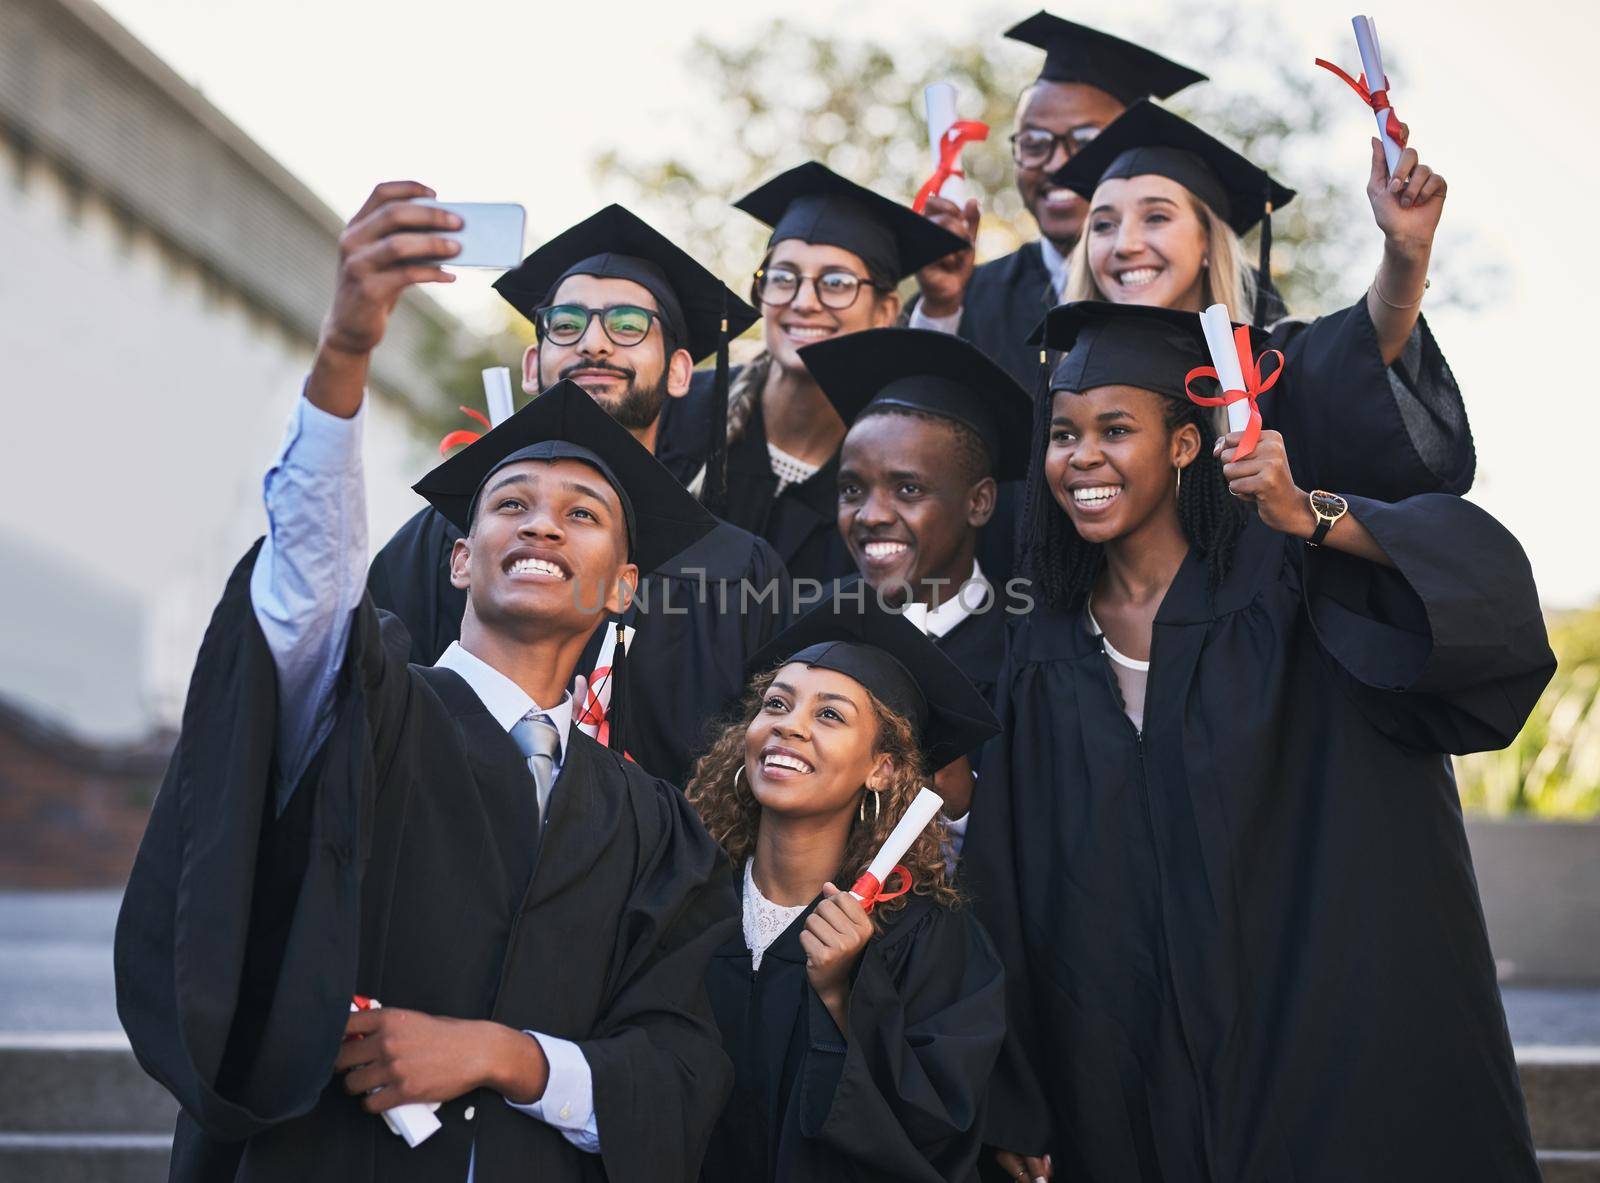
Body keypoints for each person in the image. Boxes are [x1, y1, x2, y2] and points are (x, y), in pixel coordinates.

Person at [115, 183, 738, 1183]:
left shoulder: (654, 826)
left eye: (582, 513)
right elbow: (306, 586)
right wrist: (346, 353)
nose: (540, 523)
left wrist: (507, 1055)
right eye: (510, 503)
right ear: (458, 557)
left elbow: (677, 1065)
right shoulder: (366, 710)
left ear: (624, 584)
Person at [962, 300, 1554, 1182]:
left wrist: (1313, 513)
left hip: (1310, 1045)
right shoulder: (1045, 641)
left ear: (1186, 444)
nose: (1080, 455)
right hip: (1123, 1065)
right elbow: (1007, 879)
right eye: (1063, 433)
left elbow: (1487, 594)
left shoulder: (1283, 588)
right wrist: (1016, 1093)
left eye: (1115, 428)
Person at [367, 205, 788, 786]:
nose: (593, 343)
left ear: (680, 371)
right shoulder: (451, 533)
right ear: (534, 364)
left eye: (628, 325)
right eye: (567, 324)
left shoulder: (739, 568)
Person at [686, 591, 1007, 1182]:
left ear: (881, 767)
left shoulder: (924, 937)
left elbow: (935, 1134)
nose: (790, 727)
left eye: (829, 715)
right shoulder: (687, 903)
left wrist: (844, 995)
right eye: (777, 705)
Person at [1051, 99, 1473, 502]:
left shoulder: (1269, 367)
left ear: (1206, 243)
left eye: (1157, 217)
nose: (1124, 244)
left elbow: (1368, 341)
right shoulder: (1066, 385)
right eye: (1103, 225)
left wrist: (1406, 252)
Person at [656, 161, 966, 587]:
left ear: (887, 310)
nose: (803, 302)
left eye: (836, 283)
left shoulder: (891, 458)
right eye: (783, 278)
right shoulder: (679, 413)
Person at [909, 12, 1208, 387]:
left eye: (1086, 142)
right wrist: (941, 310)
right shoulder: (969, 296)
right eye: (1034, 144)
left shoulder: (1216, 294)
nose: (1056, 164)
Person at [800, 327, 1031, 714]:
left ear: (979, 502)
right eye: (852, 490)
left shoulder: (1027, 647)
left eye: (908, 489)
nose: (871, 515)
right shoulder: (809, 625)